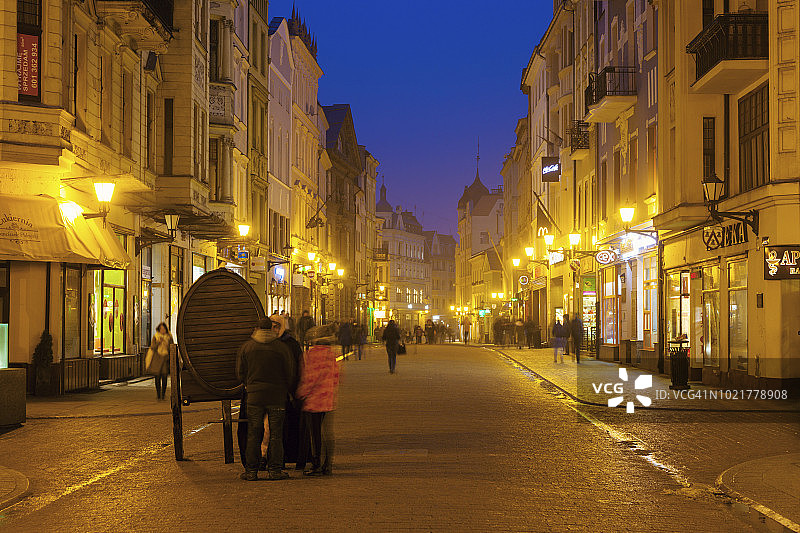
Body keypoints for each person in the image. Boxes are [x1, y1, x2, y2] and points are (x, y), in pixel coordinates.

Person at [236, 317, 294, 481]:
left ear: (257, 329)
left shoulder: (247, 347)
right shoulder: (281, 348)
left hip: (254, 397)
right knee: (276, 434)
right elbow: (289, 373)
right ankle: (275, 470)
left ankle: (251, 471)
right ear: (272, 329)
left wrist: (249, 384)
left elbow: (240, 372)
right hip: (276, 397)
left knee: (253, 434)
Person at [297, 324, 341, 476]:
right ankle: (328, 464)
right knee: (327, 433)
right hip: (328, 399)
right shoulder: (332, 355)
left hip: (313, 400)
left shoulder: (310, 355)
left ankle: (316, 464)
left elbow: (309, 378)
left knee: (314, 434)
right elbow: (336, 378)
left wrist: (301, 394)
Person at [270, 313, 305, 470]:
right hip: (273, 392)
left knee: (284, 428)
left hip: (288, 393)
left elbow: (298, 366)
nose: (274, 329)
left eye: (277, 326)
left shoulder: (291, 343)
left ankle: (284, 458)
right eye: (271, 326)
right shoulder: (267, 343)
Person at [146, 322, 173, 400]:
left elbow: (172, 347)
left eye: (164, 329)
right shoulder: (156, 337)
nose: (162, 330)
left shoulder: (169, 337)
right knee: (157, 377)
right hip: (157, 359)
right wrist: (159, 342)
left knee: (164, 377)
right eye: (161, 329)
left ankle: (163, 394)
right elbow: (153, 347)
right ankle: (158, 395)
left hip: (165, 359)